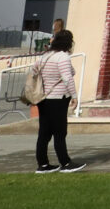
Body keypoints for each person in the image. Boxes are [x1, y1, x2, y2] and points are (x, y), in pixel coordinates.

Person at [32, 28, 83, 173]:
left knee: (44, 133)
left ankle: (43, 164)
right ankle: (65, 162)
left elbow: (34, 70)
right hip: (58, 98)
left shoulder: (45, 56)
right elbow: (68, 77)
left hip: (44, 98)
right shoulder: (63, 57)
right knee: (60, 132)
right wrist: (74, 96)